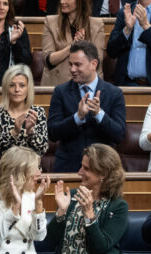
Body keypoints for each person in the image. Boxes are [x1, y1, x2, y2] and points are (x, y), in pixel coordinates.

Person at [49, 143, 129, 254]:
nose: (79, 172)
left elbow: (99, 248)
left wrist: (89, 215)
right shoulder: (72, 197)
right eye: (81, 166)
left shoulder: (118, 206)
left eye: (86, 168)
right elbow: (50, 242)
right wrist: (61, 212)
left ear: (103, 173)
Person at [48, 40, 126, 172]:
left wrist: (99, 114)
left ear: (93, 64)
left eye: (78, 65)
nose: (72, 69)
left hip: (102, 170)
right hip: (68, 168)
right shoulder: (60, 92)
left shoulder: (115, 94)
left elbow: (119, 134)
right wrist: (77, 117)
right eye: (70, 64)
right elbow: (52, 133)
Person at [0, 65, 47, 172]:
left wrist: (31, 132)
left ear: (28, 88)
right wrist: (13, 132)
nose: (17, 90)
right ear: (6, 88)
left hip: (29, 169)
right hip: (1, 169)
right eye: (12, 85)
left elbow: (42, 149)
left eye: (22, 85)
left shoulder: (37, 112)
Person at [41, 0, 103, 86]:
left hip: (86, 84)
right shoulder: (50, 22)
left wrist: (83, 46)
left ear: (80, 1)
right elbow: (48, 60)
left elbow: (97, 61)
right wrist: (72, 46)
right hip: (56, 83)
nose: (62, 1)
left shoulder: (96, 25)